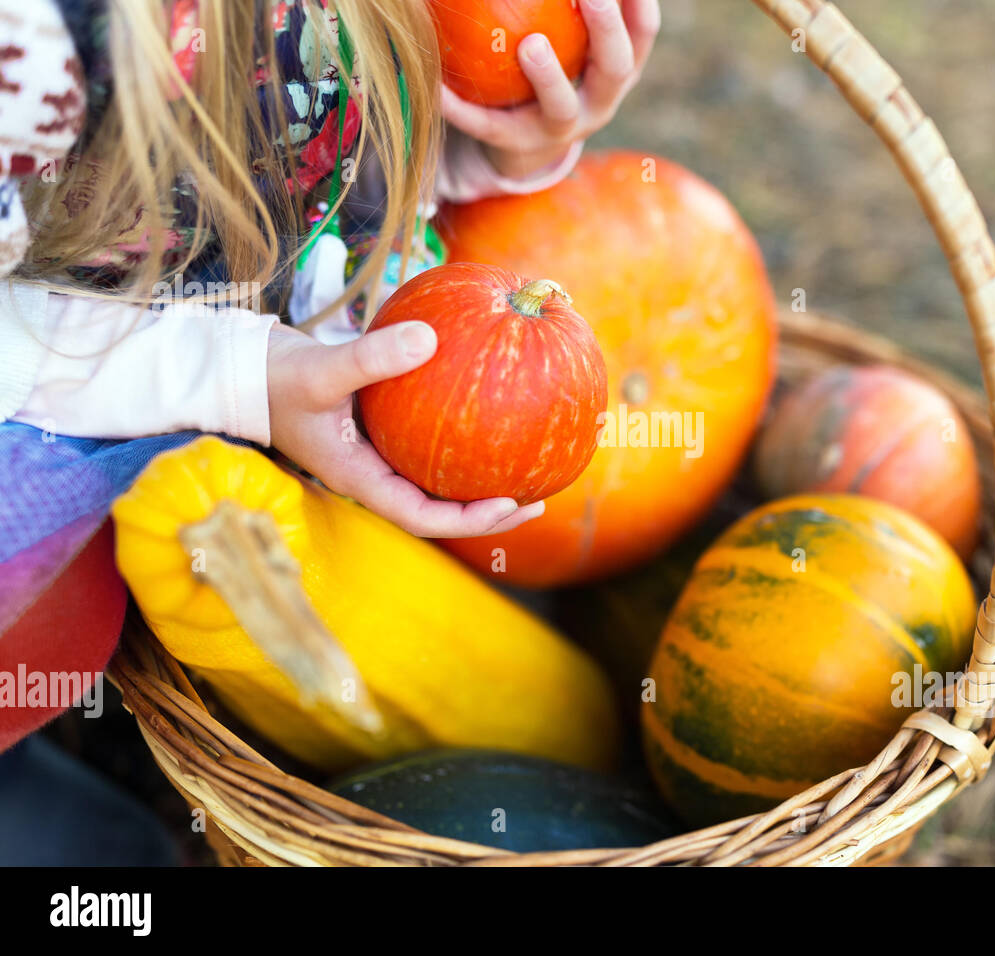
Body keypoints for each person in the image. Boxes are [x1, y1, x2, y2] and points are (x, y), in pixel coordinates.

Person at [0, 0, 659, 859]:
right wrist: (239, 378)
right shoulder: (35, 42)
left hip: (254, 373)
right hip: (62, 397)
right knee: (44, 625)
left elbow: (313, 136)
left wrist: (489, 144)